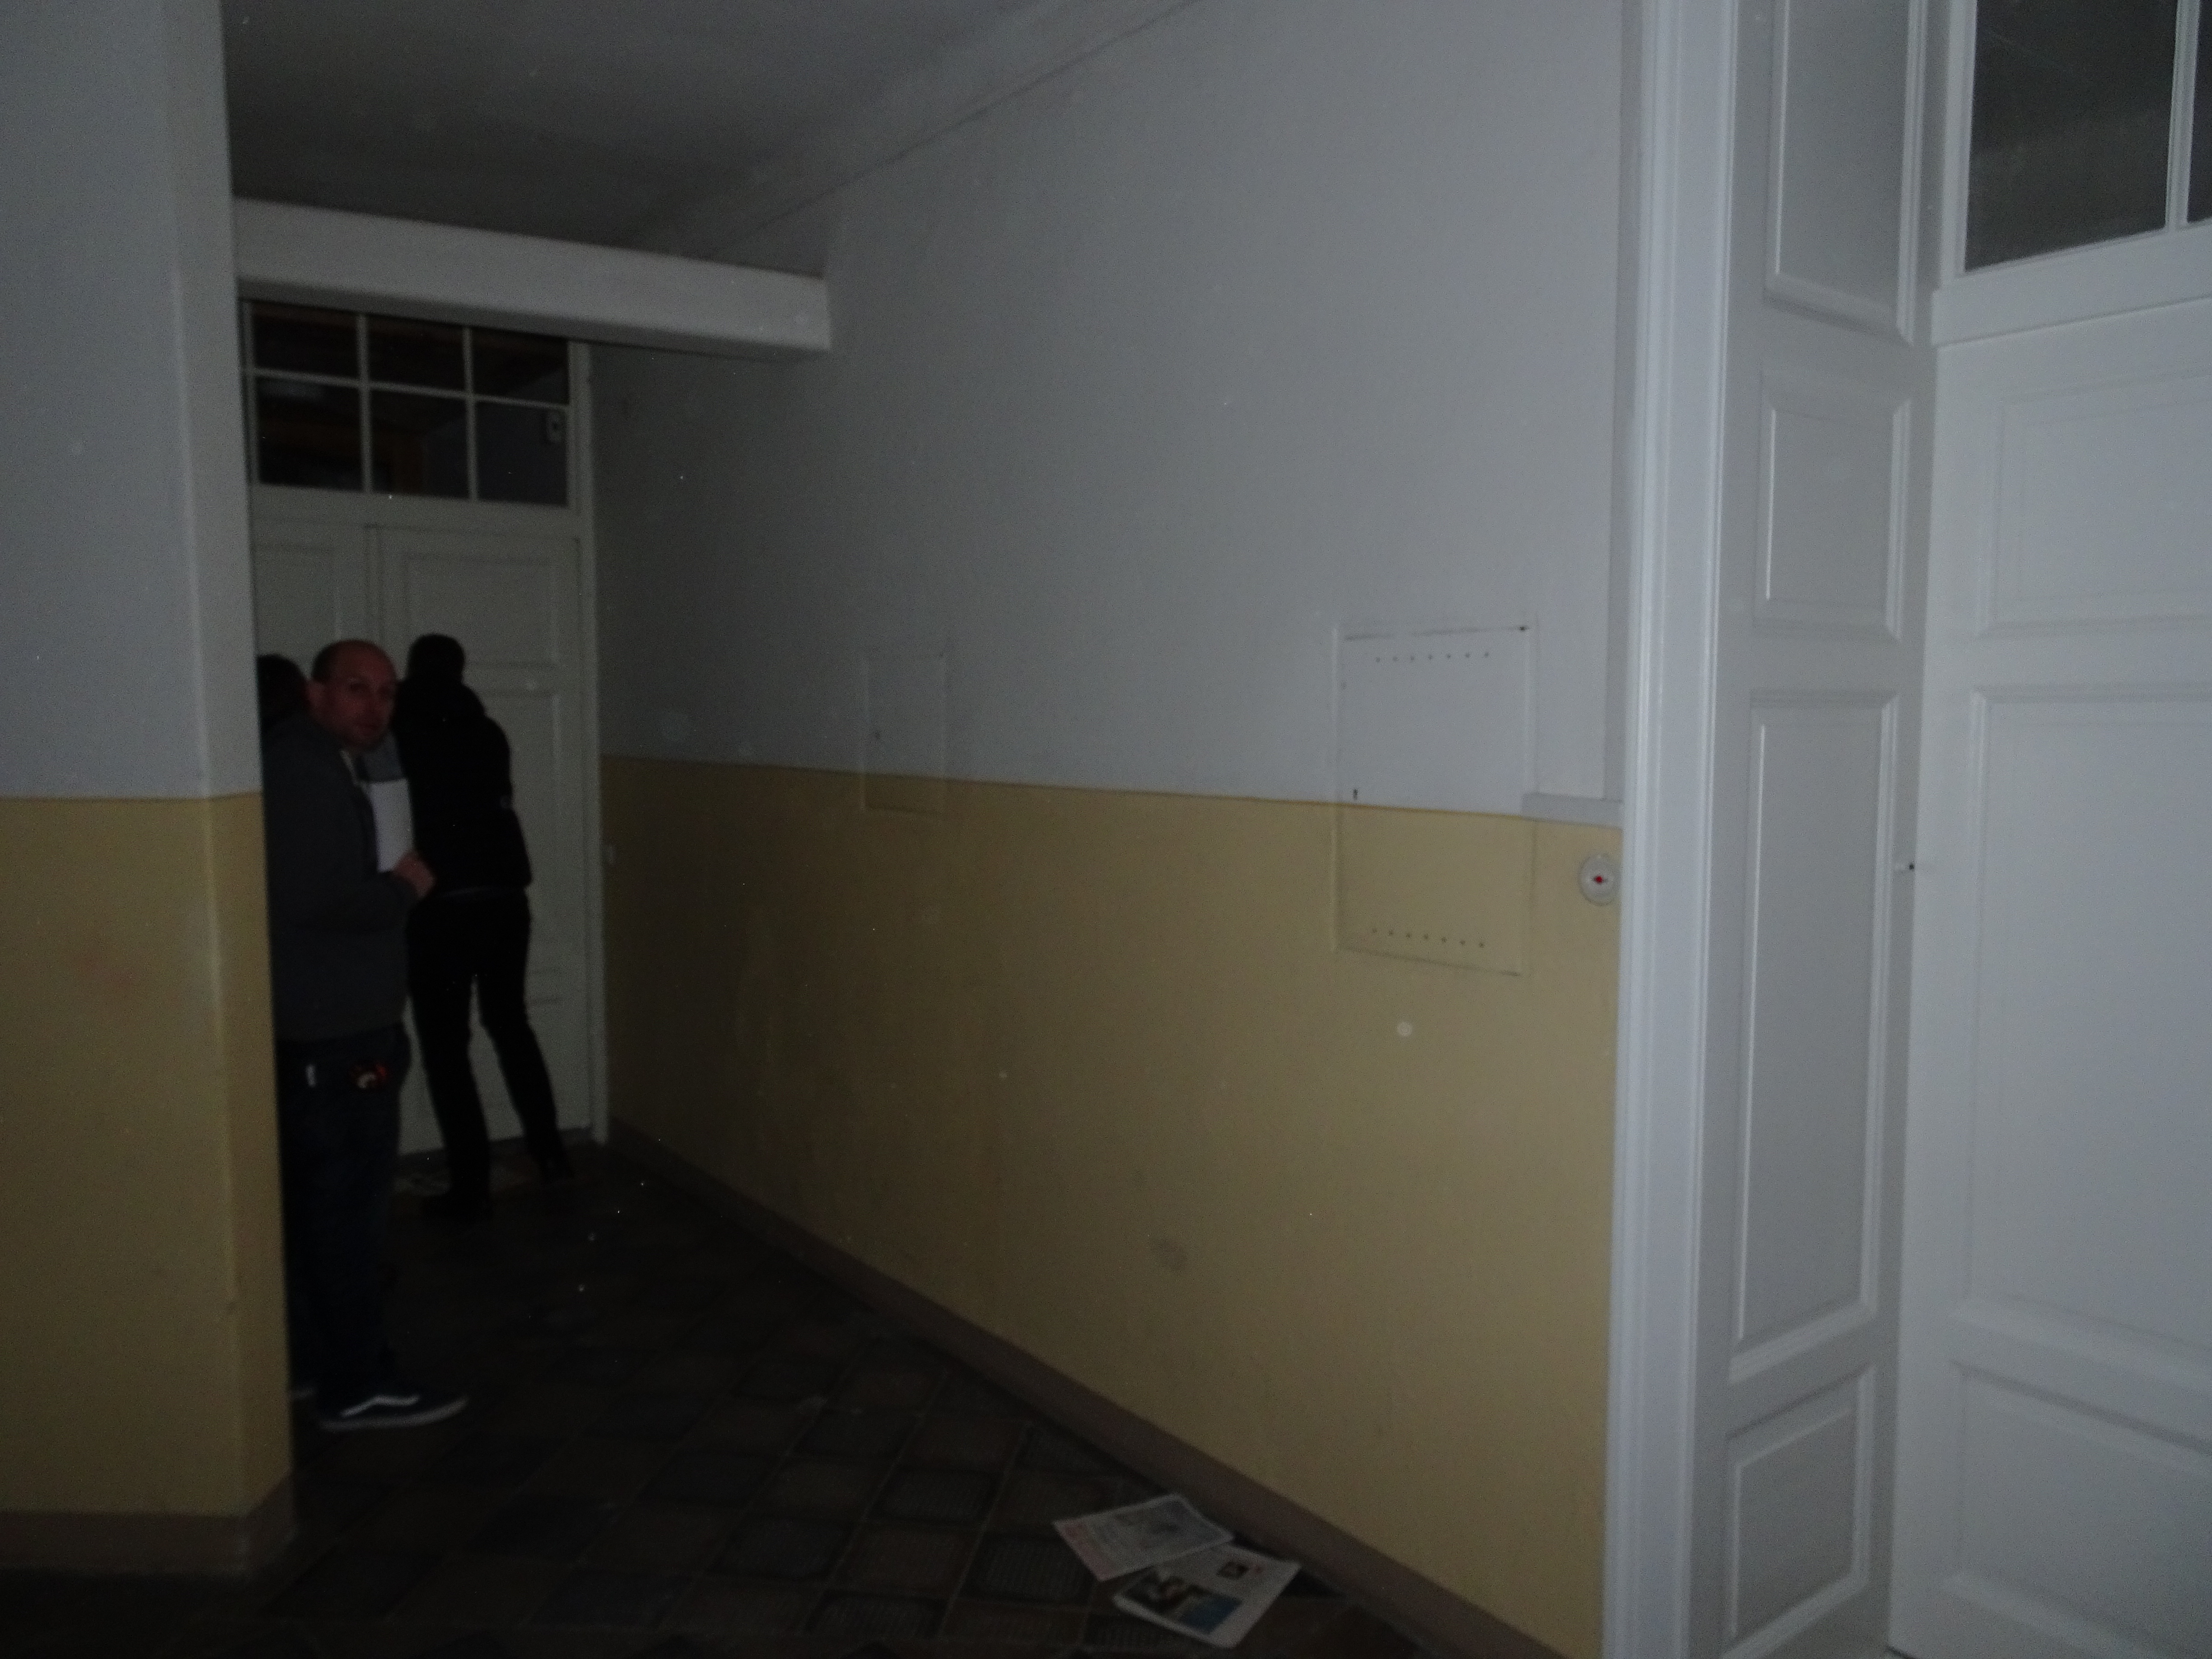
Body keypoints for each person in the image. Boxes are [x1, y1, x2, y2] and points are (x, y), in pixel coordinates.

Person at [262, 638, 467, 1431]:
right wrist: (402, 892)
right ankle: (357, 1385)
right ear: (316, 694)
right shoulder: (306, 772)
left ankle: (319, 1364)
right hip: (336, 1036)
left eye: (386, 693)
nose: (374, 707)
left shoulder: (320, 762)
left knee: (321, 1215)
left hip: (330, 1028)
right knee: (346, 1219)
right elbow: (320, 900)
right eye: (355, 688)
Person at [392, 633, 573, 1219]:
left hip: (439, 904)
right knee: (511, 1023)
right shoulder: (488, 731)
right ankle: (551, 1154)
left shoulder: (400, 731)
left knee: (447, 1048)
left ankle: (470, 1185)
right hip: (503, 900)